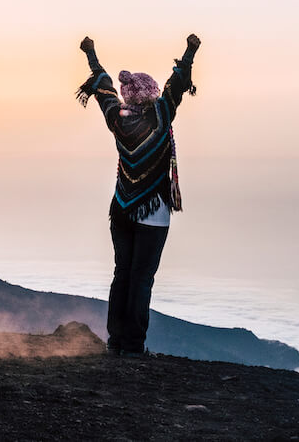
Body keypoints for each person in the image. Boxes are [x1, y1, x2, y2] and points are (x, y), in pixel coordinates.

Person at [76, 33, 200, 357]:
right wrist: (190, 50)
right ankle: (133, 345)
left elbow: (103, 87)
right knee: (142, 278)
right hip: (153, 214)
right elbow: (178, 83)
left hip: (120, 210)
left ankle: (116, 341)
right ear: (151, 94)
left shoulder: (117, 118)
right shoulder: (161, 115)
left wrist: (91, 53)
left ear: (129, 96)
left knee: (122, 273)